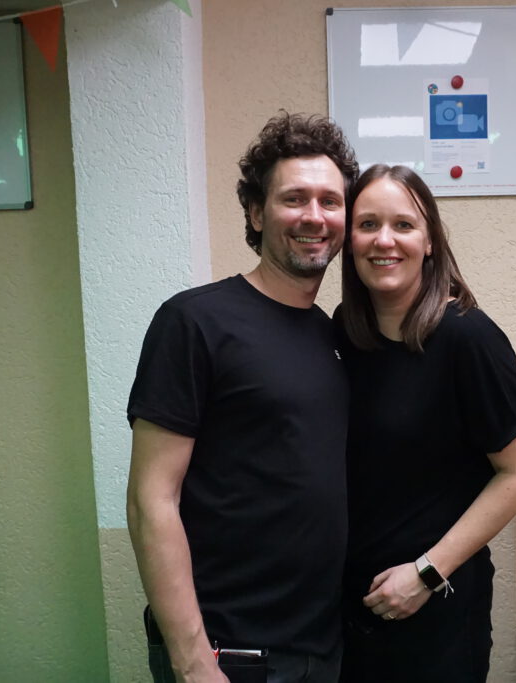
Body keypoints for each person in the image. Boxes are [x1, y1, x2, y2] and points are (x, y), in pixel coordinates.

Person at [126, 112, 359, 683]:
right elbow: (151, 499)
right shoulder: (194, 321)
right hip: (230, 654)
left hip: (320, 648)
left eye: (330, 201)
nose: (314, 216)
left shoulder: (331, 334)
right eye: (294, 198)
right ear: (256, 212)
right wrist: (193, 661)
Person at [336, 165, 516, 683]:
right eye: (368, 224)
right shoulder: (344, 332)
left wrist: (426, 573)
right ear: (348, 240)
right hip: (350, 606)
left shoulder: (468, 338)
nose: (384, 240)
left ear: (429, 242)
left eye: (403, 225)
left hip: (434, 607)